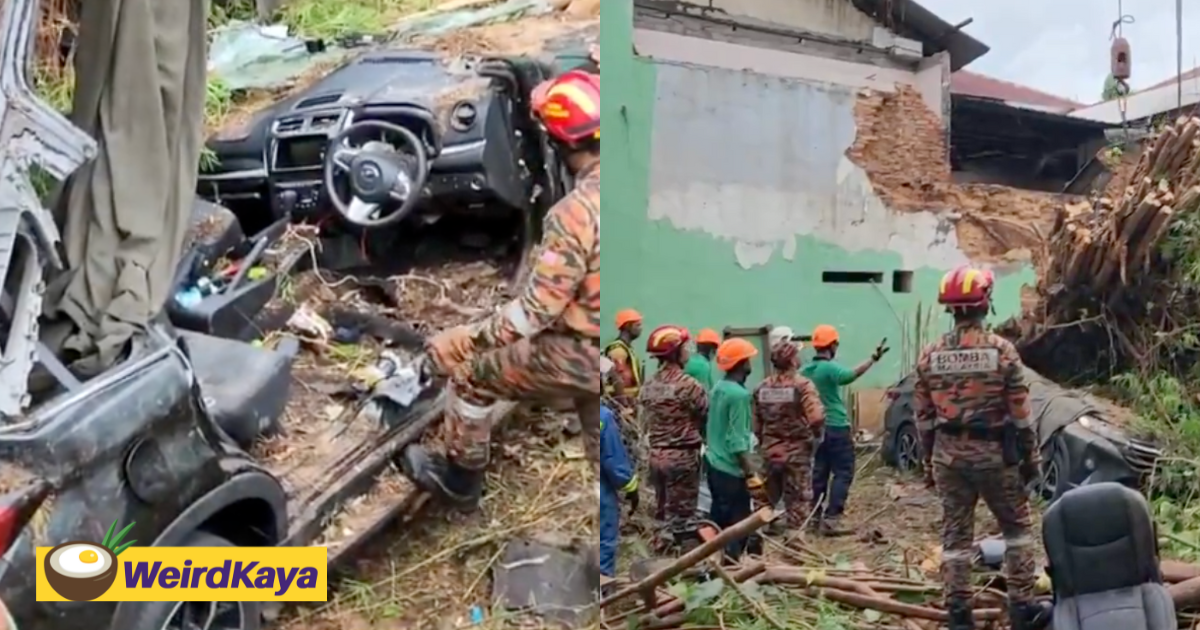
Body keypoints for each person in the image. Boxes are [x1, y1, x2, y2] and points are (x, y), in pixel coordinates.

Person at [403, 69, 601, 509]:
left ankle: (460, 479)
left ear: (561, 144)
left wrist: (465, 340)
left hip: (582, 353)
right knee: (604, 436)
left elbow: (536, 313)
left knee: (474, 376)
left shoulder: (577, 213)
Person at [913, 265, 1047, 630]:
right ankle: (1022, 609)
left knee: (956, 536)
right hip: (995, 458)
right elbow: (1021, 414)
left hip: (948, 457)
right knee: (1016, 531)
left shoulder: (929, 355)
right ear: (985, 303)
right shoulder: (1002, 352)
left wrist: (929, 462)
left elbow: (923, 418)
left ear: (950, 309)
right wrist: (1031, 459)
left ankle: (959, 615)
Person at [802, 324, 888, 535]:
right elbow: (850, 375)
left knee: (819, 472)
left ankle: (814, 517)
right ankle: (832, 518)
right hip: (836, 427)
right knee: (843, 472)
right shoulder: (829, 368)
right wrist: (872, 360)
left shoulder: (805, 371)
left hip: (816, 429)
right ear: (832, 345)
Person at [640, 325, 709, 552]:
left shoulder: (649, 385)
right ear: (675, 352)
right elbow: (704, 414)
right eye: (685, 347)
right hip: (682, 457)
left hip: (656, 456)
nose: (688, 351)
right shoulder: (689, 385)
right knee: (682, 516)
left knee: (662, 511)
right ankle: (676, 563)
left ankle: (659, 549)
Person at [705, 338, 770, 560]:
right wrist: (752, 474)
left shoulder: (718, 388)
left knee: (719, 520)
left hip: (713, 463)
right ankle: (732, 568)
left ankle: (714, 563)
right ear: (742, 364)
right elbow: (737, 440)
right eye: (749, 359)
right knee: (738, 525)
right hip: (730, 469)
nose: (751, 363)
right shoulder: (739, 395)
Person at [753, 338, 825, 534]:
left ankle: (758, 539)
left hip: (771, 451)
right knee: (798, 502)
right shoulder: (802, 385)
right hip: (797, 454)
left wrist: (765, 442)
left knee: (765, 499)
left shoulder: (762, 387)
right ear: (793, 360)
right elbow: (816, 417)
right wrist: (817, 436)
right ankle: (795, 544)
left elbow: (755, 425)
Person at [599, 401, 638, 579]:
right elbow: (613, 462)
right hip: (600, 491)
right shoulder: (602, 415)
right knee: (603, 545)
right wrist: (631, 487)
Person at [604, 309, 644, 403]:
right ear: (627, 326)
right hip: (620, 403)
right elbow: (617, 379)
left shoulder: (627, 348)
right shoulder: (618, 350)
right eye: (637, 325)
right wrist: (624, 406)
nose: (640, 328)